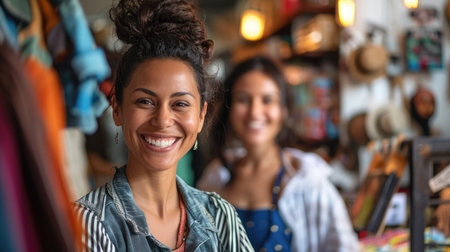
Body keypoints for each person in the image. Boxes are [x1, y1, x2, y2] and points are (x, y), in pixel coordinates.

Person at [73, 0, 253, 251]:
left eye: (180, 104)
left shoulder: (221, 216)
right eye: (145, 101)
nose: (163, 120)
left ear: (201, 115)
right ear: (117, 109)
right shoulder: (88, 223)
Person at [197, 55, 359, 252]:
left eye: (267, 100)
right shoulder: (214, 178)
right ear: (229, 109)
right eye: (243, 100)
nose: (255, 112)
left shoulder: (307, 181)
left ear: (284, 110)